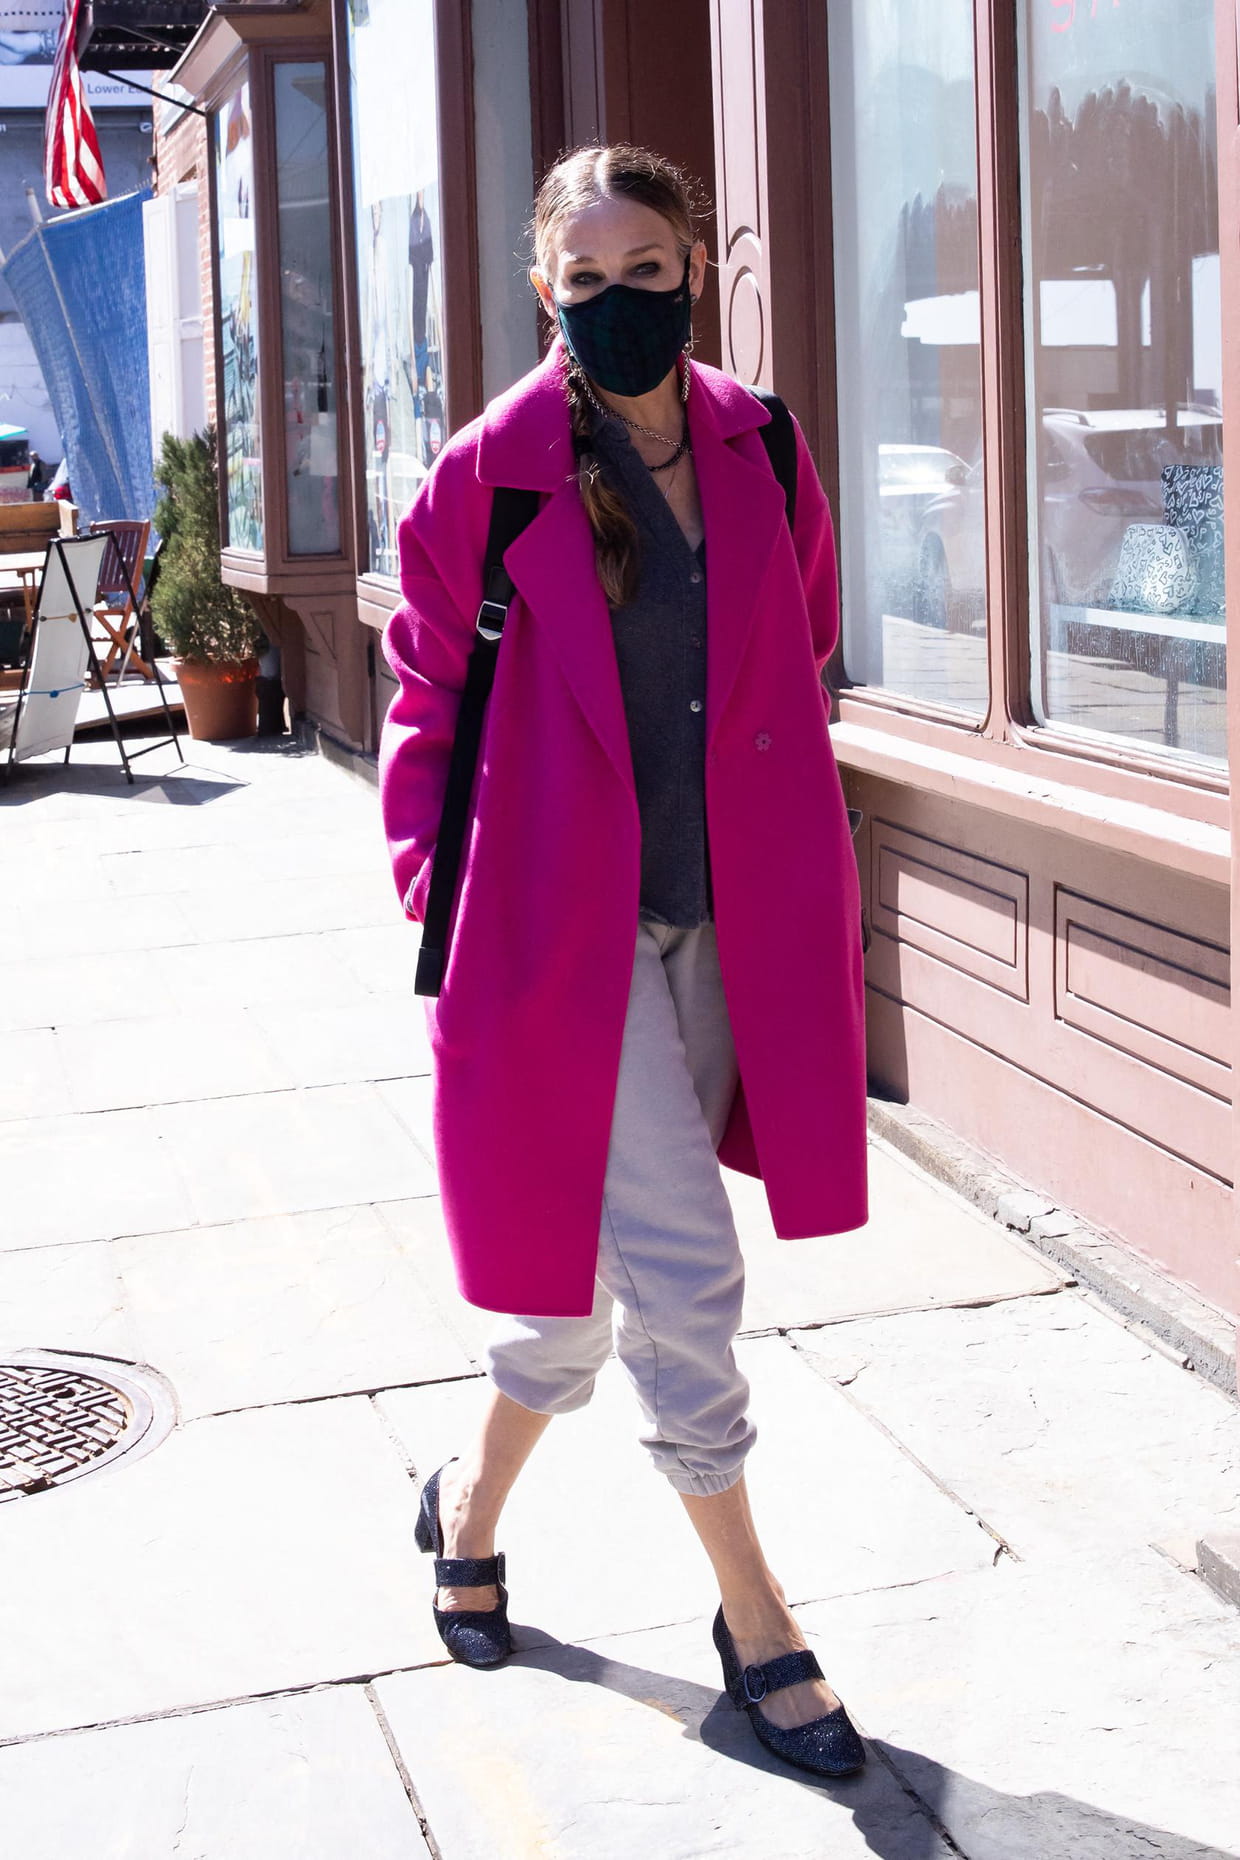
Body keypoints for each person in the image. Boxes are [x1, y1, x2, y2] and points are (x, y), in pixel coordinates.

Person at [379, 144, 869, 1781]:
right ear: (547, 292)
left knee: (568, 1326)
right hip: (556, 938)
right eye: (585, 281)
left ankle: (465, 1508)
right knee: (685, 1273)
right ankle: (759, 1623)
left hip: (731, 921)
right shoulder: (488, 476)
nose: (618, 303)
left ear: (694, 273)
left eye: (646, 273)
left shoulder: (763, 443)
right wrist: (440, 890)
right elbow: (426, 703)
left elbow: (799, 642)